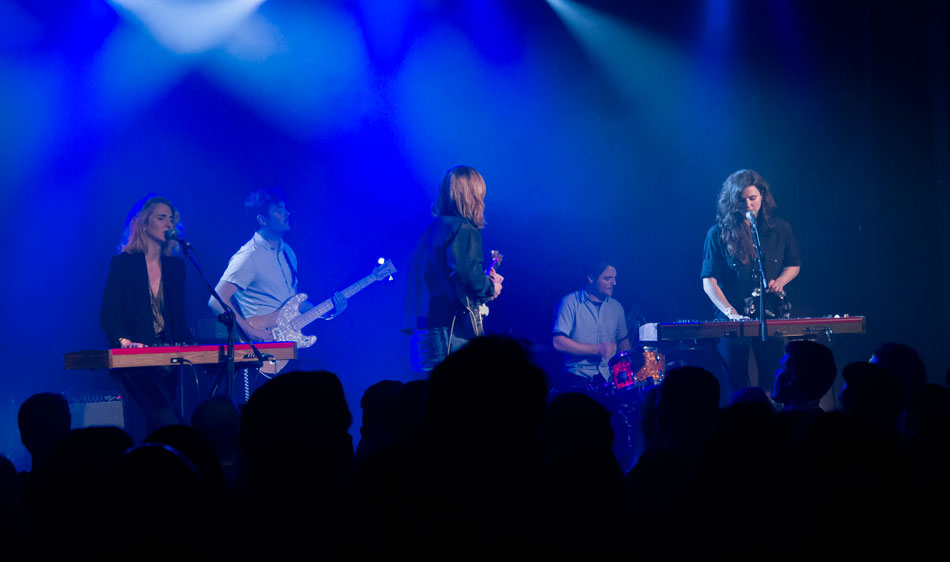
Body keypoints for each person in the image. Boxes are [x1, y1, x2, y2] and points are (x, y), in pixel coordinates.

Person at [209, 189, 346, 398]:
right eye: (279, 210)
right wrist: (251, 332)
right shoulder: (248, 256)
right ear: (262, 219)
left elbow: (294, 305)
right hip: (265, 349)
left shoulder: (288, 251)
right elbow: (216, 300)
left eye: (285, 208)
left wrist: (329, 311)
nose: (287, 213)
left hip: (291, 347)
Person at [701, 169, 801, 402]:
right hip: (733, 314)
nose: (747, 204)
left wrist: (780, 281)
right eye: (742, 199)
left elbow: (794, 264)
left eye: (752, 198)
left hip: (769, 311)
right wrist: (729, 312)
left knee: (773, 380)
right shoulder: (718, 233)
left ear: (763, 197)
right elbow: (708, 280)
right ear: (732, 201)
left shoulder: (780, 228)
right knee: (736, 382)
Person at [99, 195, 191, 432]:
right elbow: (109, 313)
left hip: (169, 359)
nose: (168, 224)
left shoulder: (176, 267)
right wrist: (124, 340)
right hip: (136, 360)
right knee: (165, 419)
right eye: (161, 218)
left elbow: (178, 316)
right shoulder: (123, 263)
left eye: (171, 219)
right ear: (143, 222)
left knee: (159, 424)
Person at [402, 166, 503, 372]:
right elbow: (466, 275)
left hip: (422, 329)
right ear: (474, 194)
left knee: (428, 397)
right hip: (450, 330)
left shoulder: (429, 230)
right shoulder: (464, 229)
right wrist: (490, 288)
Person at [551, 259, 634, 468]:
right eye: (608, 278)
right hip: (576, 377)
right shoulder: (570, 302)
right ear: (590, 278)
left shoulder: (616, 307)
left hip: (608, 379)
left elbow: (624, 343)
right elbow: (558, 342)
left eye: (615, 278)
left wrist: (628, 367)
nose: (614, 283)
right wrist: (597, 349)